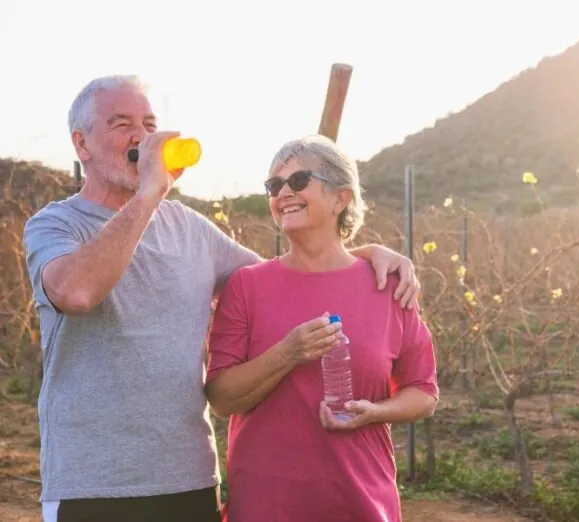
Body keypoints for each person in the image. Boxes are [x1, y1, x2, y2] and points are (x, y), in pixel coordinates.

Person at [22, 75, 422, 522]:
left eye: (149, 123)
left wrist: (362, 256)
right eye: (121, 123)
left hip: (189, 480)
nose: (141, 136)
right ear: (82, 144)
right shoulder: (56, 226)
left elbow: (294, 276)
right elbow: (77, 292)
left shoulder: (191, 230)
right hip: (93, 485)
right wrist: (150, 193)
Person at [205, 134, 439, 522]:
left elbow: (424, 392)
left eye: (298, 182)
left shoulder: (388, 285)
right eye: (273, 186)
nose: (283, 194)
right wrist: (289, 353)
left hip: (360, 503)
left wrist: (375, 412)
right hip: (267, 506)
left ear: (341, 198)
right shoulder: (247, 286)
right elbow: (222, 399)